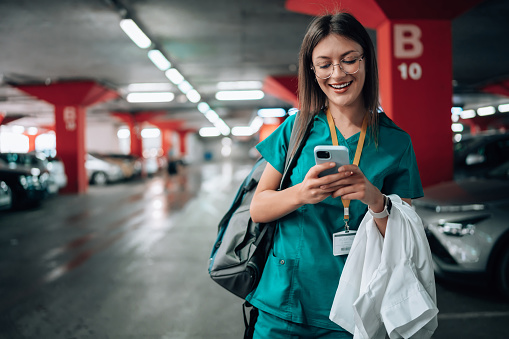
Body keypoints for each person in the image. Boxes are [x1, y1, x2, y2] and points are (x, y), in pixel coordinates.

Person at [246, 12, 424, 338]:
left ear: (366, 61)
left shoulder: (396, 142)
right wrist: (302, 193)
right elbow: (258, 208)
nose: (337, 73)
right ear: (312, 70)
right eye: (324, 64)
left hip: (352, 310)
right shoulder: (296, 129)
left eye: (348, 60)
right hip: (283, 305)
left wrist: (375, 199)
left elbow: (403, 236)